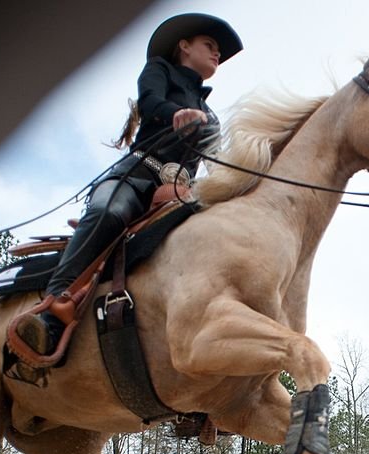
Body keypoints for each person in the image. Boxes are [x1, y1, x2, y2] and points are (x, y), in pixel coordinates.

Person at [14, 13, 243, 366]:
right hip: (138, 176)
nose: (216, 55)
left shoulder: (211, 116)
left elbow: (218, 162)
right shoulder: (159, 71)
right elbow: (150, 101)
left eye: (217, 51)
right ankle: (51, 308)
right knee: (110, 210)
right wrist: (176, 113)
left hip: (183, 193)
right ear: (183, 46)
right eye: (209, 46)